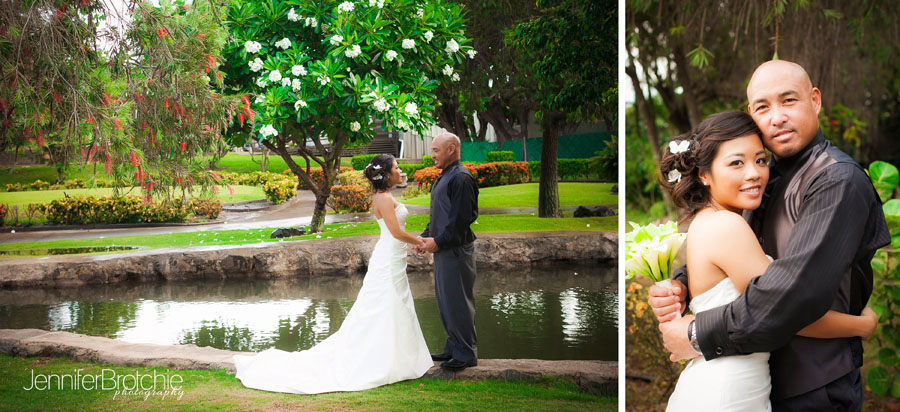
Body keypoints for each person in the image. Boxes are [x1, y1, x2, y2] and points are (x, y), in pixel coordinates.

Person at [649, 60, 890, 411]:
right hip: (757, 382)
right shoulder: (755, 182)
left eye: (788, 101)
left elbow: (789, 299)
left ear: (815, 100)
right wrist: (682, 285)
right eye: (763, 107)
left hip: (813, 387)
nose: (776, 117)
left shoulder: (836, 182)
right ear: (751, 113)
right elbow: (736, 257)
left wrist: (697, 335)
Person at [232, 154, 433, 394]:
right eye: (397, 168)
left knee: (393, 303)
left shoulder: (382, 197)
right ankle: (385, 360)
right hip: (389, 258)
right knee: (386, 304)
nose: (401, 171)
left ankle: (397, 357)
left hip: (392, 256)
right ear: (387, 175)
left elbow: (395, 234)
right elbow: (396, 232)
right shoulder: (385, 199)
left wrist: (412, 243)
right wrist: (420, 241)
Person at [415, 132, 479, 371]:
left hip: (456, 250)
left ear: (452, 149)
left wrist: (438, 242)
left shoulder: (461, 178)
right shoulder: (445, 176)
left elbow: (460, 221)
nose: (432, 155)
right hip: (444, 249)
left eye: (436, 150)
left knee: (458, 300)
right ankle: (454, 346)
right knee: (446, 301)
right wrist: (425, 236)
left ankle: (466, 353)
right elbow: (439, 215)